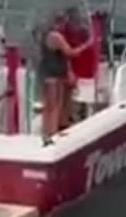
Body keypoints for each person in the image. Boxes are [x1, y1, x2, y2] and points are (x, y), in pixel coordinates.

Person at [40, 12, 94, 144]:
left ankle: (46, 132)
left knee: (48, 106)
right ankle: (52, 135)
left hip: (47, 73)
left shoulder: (45, 35)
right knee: (55, 105)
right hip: (54, 74)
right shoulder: (56, 36)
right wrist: (87, 45)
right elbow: (70, 53)